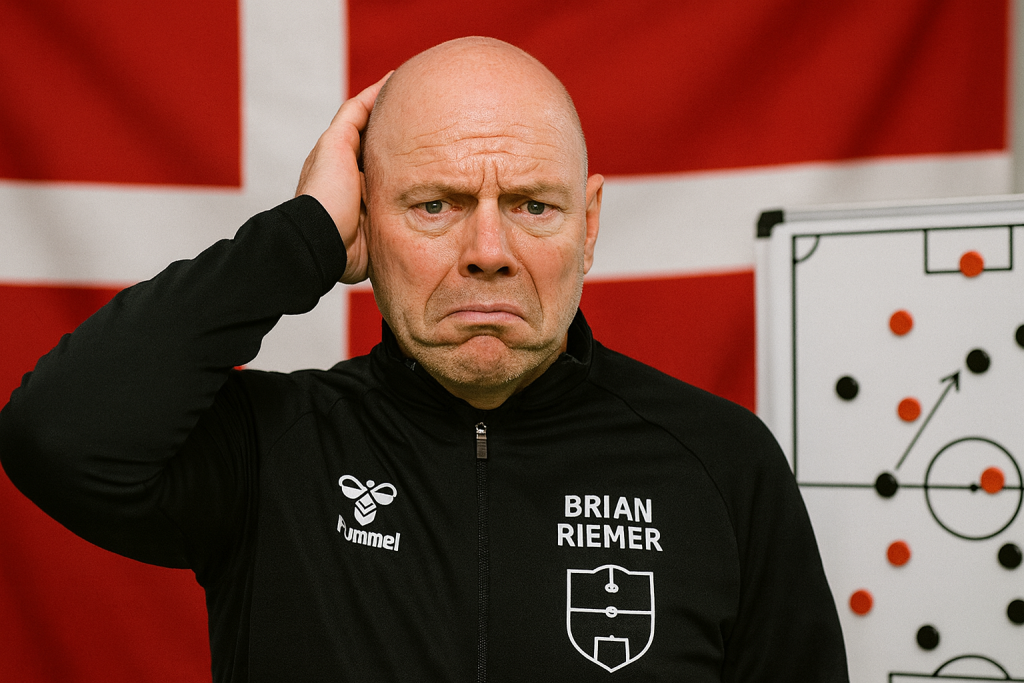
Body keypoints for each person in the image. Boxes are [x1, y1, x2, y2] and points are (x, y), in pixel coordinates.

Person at [0, 37, 848, 681]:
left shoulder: (721, 463)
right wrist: (300, 239)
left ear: (589, 226)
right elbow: (57, 432)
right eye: (435, 204)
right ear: (366, 219)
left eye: (533, 205)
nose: (489, 251)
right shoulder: (274, 450)